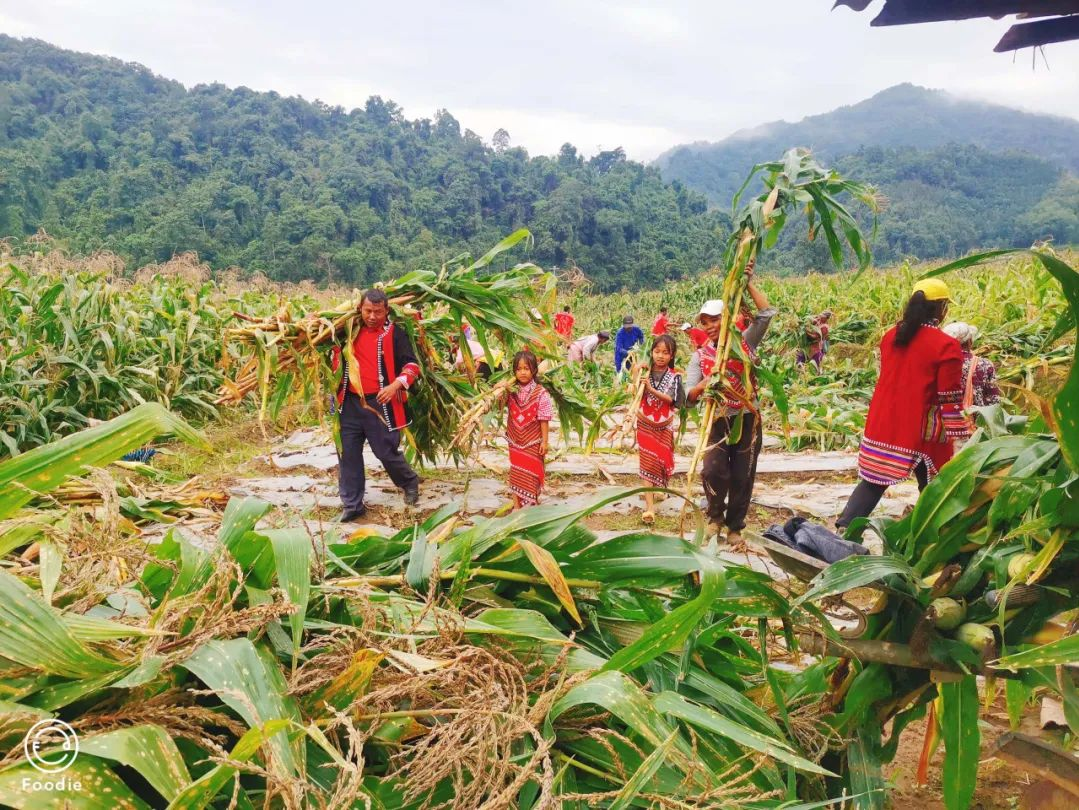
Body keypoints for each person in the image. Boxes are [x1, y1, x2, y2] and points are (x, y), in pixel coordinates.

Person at [836, 279, 966, 529]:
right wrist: (960, 436)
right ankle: (936, 532)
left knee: (874, 480)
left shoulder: (891, 336)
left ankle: (846, 529)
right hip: (920, 428)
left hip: (883, 422)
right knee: (935, 484)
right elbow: (949, 398)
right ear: (941, 308)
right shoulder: (946, 346)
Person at [685, 262, 776, 550]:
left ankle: (735, 527)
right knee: (712, 471)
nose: (710, 326)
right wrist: (706, 384)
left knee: (742, 475)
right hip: (719, 420)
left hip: (747, 419)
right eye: (705, 322)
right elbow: (689, 395)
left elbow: (766, 314)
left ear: (726, 319)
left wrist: (747, 281)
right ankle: (715, 518)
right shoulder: (700, 357)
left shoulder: (744, 343)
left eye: (715, 320)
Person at [331, 289, 422, 521]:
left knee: (385, 452)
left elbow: (412, 366)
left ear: (386, 311)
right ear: (359, 309)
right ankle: (352, 504)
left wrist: (394, 386)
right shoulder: (347, 331)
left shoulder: (395, 334)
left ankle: (409, 482)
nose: (372, 316)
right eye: (368, 311)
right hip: (349, 403)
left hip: (380, 404)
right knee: (347, 453)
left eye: (378, 312)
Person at [636, 334, 686, 525]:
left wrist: (651, 389)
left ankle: (658, 491)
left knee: (661, 461)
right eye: (657, 351)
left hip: (664, 425)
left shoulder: (674, 377)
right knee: (647, 463)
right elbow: (634, 392)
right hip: (645, 424)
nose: (660, 356)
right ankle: (649, 508)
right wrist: (635, 374)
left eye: (665, 353)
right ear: (651, 352)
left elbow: (673, 400)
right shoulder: (645, 373)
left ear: (671, 355)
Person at [505, 350, 554, 509]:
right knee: (516, 472)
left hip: (533, 441)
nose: (523, 372)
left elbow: (544, 419)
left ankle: (531, 504)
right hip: (515, 440)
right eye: (518, 369)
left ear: (534, 370)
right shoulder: (511, 391)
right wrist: (500, 387)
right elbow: (497, 403)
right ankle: (517, 506)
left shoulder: (541, 393)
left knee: (531, 473)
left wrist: (545, 442)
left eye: (526, 368)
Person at [942, 322, 1000, 410]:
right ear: (970, 341)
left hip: (947, 419)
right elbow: (994, 401)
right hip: (976, 420)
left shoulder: (939, 365)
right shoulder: (985, 364)